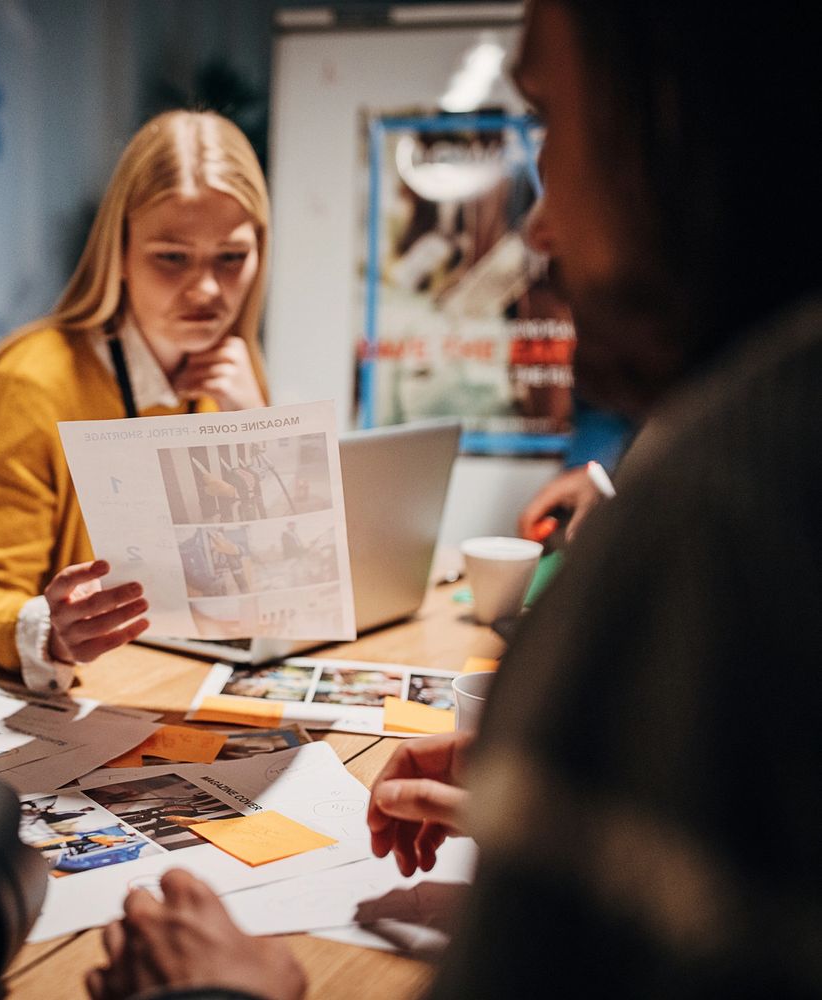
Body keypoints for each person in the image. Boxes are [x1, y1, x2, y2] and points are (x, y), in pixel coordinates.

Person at [91, 1, 822, 996]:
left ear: (671, 115)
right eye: (170, 258)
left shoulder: (717, 514)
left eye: (550, 116)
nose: (531, 222)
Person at [0, 110, 271, 690]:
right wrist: (49, 630)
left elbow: (238, 584)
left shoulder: (231, 379)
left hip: (120, 685)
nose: (207, 289)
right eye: (172, 257)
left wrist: (254, 430)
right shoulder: (34, 378)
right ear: (120, 252)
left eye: (231, 258)